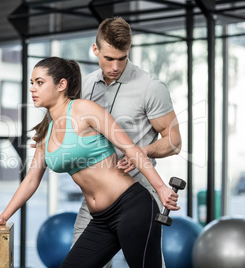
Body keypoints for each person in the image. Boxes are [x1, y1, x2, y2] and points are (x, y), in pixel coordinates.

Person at [0, 57, 180, 267]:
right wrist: (3, 216)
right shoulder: (44, 133)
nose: (33, 89)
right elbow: (31, 180)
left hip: (132, 207)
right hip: (101, 219)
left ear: (61, 85)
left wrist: (162, 189)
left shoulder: (84, 110)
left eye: (39, 82)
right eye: (31, 83)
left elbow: (131, 149)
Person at [73, 17, 182, 267]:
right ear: (95, 49)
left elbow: (174, 141)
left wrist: (142, 151)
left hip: (139, 194)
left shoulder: (150, 87)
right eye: (108, 58)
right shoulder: (85, 85)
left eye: (121, 58)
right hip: (96, 197)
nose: (115, 66)